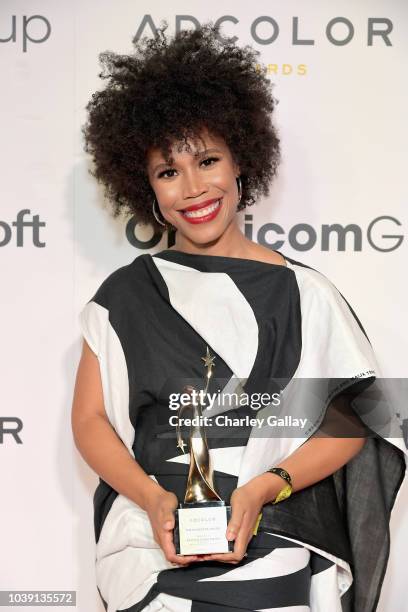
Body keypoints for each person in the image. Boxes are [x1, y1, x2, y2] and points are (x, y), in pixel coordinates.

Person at [71, 22, 407, 612]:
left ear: (241, 162)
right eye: (168, 171)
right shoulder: (125, 295)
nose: (194, 188)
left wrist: (263, 489)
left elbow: (357, 419)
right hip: (149, 551)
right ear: (145, 186)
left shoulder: (304, 292)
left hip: (276, 540)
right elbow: (92, 419)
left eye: (207, 160)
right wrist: (151, 501)